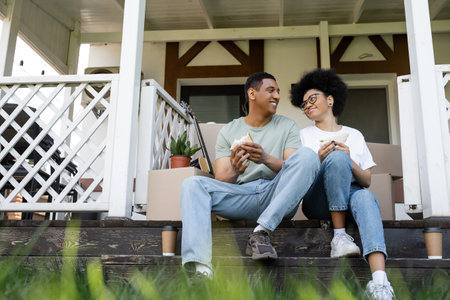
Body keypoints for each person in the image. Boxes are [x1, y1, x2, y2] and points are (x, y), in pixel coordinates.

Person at [180, 72, 319, 279]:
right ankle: (201, 270)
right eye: (271, 90)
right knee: (192, 184)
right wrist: (236, 169)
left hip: (277, 195)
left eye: (278, 91)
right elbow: (221, 181)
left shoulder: (287, 125)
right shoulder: (230, 130)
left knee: (308, 156)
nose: (277, 96)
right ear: (252, 93)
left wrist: (264, 158)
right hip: (242, 194)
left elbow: (292, 168)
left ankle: (261, 232)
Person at [290, 69, 395, 300]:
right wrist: (320, 158)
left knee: (366, 196)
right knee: (335, 158)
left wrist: (349, 160)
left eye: (312, 98)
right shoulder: (303, 135)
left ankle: (380, 283)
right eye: (303, 104)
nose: (307, 105)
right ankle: (339, 236)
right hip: (317, 200)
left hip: (352, 196)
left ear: (330, 99)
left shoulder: (354, 134)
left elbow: (366, 180)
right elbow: (297, 176)